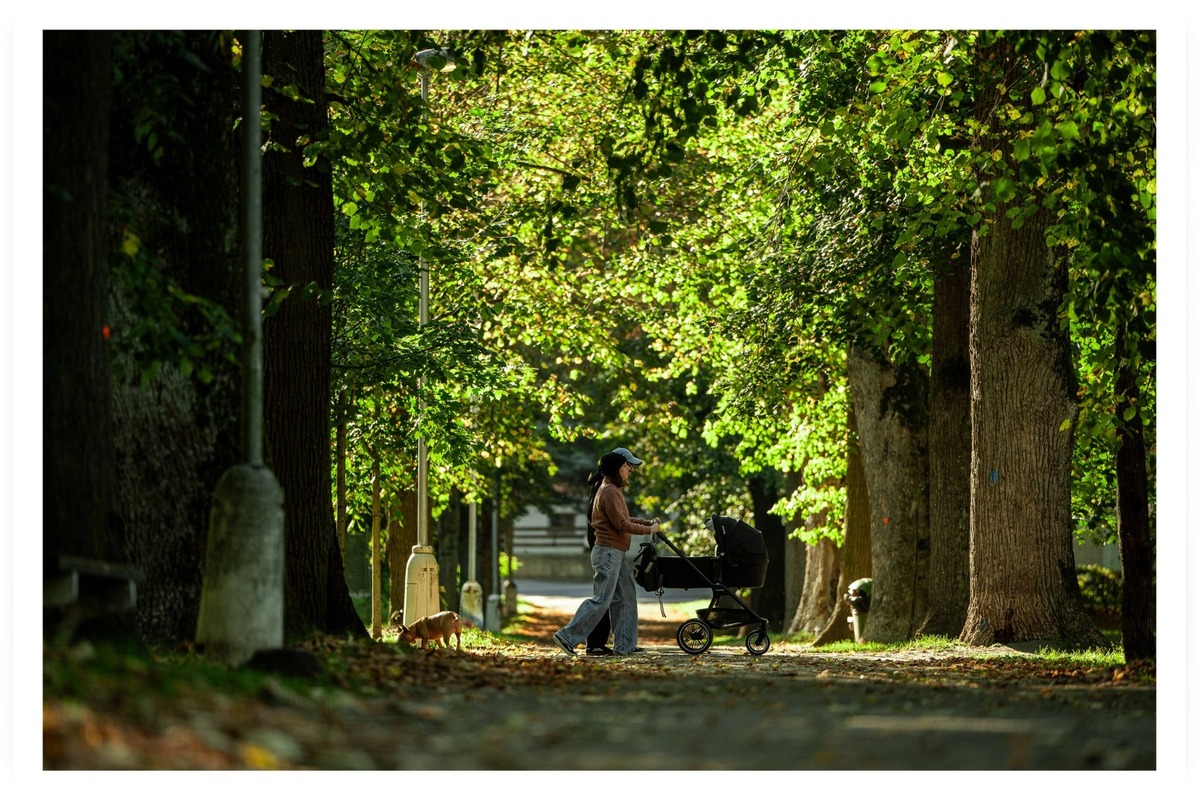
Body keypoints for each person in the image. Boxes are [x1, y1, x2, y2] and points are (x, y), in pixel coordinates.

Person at [553, 447, 659, 657]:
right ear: (616, 468)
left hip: (615, 552)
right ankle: (567, 636)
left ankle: (625, 646)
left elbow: (625, 519)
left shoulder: (613, 489)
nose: (630, 470)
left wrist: (648, 522)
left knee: (625, 598)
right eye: (626, 467)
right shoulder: (609, 491)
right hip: (608, 552)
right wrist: (649, 530)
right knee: (602, 599)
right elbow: (621, 524)